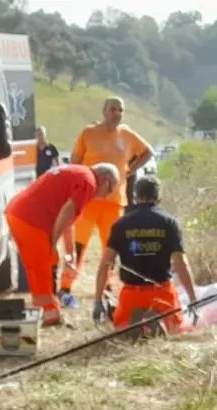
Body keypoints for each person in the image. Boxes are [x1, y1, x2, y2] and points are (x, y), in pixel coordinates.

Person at [60, 97, 154, 306]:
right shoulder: (88, 133)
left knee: (110, 248)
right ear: (104, 111)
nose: (116, 113)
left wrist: (130, 170)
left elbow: (148, 152)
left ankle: (107, 289)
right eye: (112, 109)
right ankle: (66, 287)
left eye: (120, 110)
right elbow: (75, 162)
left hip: (114, 202)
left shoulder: (127, 135)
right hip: (87, 199)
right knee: (78, 247)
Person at [5, 163, 121, 326]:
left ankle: (49, 310)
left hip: (19, 212)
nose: (103, 197)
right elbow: (68, 211)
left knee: (47, 261)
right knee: (41, 265)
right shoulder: (89, 182)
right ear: (105, 180)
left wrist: (70, 252)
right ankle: (49, 313)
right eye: (108, 192)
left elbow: (68, 217)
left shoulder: (80, 174)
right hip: (30, 218)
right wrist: (52, 241)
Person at [92, 176, 199, 334]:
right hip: (161, 292)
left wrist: (98, 300)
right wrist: (193, 299)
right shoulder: (170, 223)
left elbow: (105, 264)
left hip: (131, 293)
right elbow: (181, 264)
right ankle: (161, 321)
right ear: (159, 198)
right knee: (176, 329)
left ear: (135, 198)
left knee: (121, 327)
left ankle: (134, 323)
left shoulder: (121, 225)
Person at [17, 126, 63, 294]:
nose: (40, 136)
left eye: (42, 134)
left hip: (49, 186)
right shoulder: (31, 150)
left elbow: (57, 165)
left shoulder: (51, 149)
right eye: (37, 134)